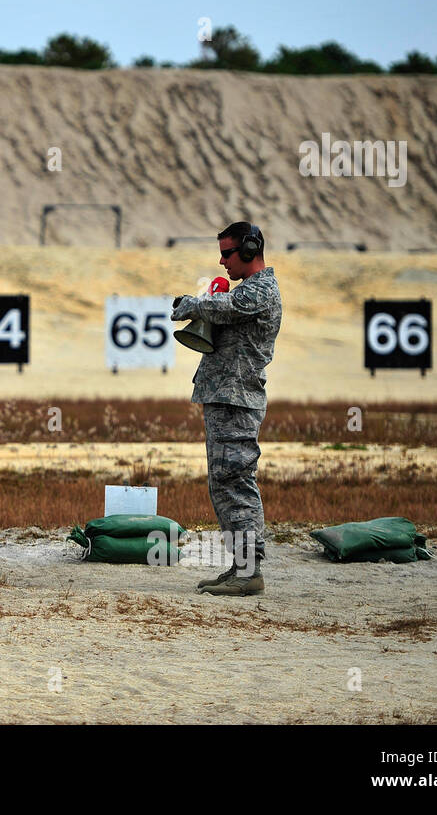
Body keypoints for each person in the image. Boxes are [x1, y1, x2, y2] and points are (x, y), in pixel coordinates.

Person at [171, 221, 282, 596]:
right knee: (224, 482)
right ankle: (241, 567)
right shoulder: (248, 290)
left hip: (237, 401)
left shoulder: (260, 291)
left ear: (250, 251)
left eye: (228, 253)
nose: (222, 262)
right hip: (226, 398)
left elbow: (230, 306)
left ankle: (249, 572)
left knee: (235, 481)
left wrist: (191, 304)